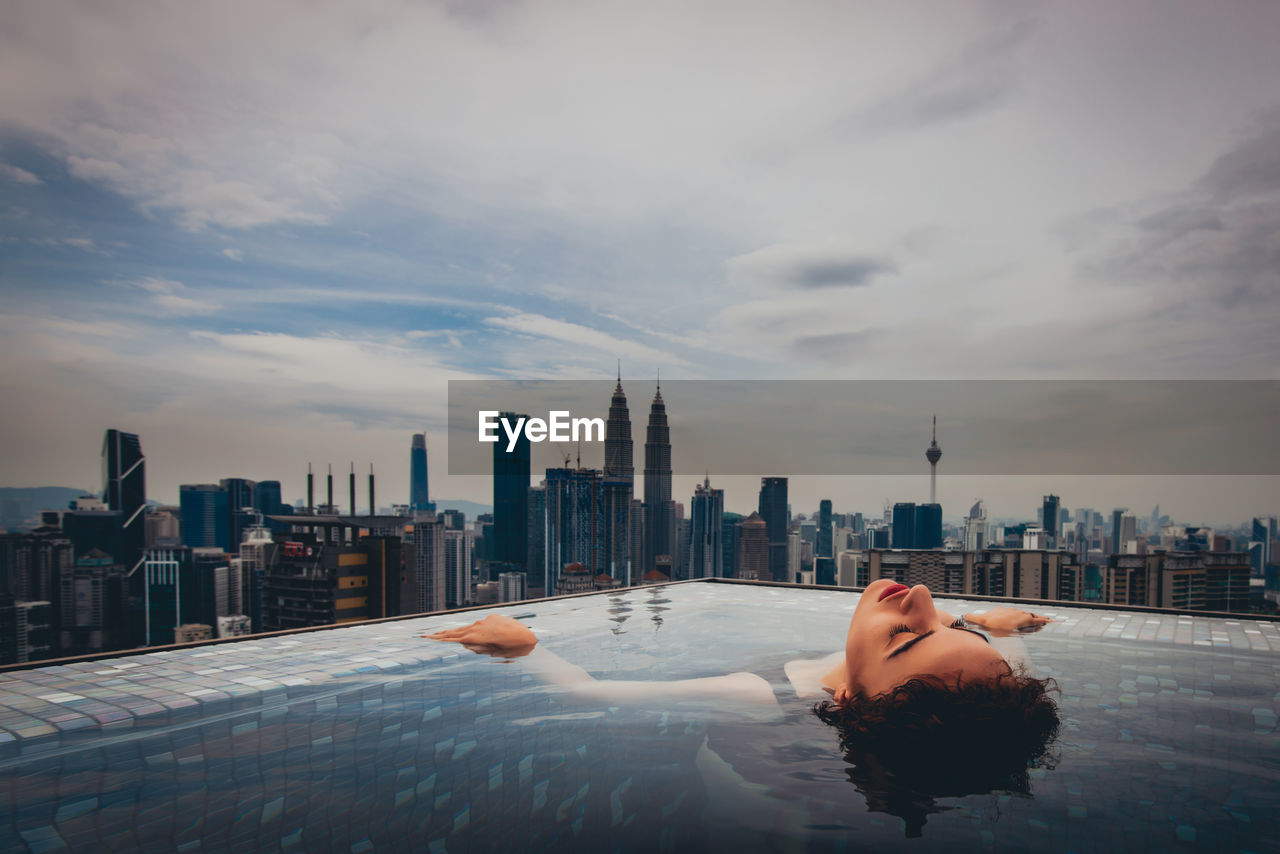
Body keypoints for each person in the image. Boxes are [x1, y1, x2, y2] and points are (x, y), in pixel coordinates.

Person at [425, 579, 1061, 837]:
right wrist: (984, 622)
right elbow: (948, 623)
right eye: (946, 625)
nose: (921, 596)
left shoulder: (757, 696)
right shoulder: (920, 676)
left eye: (905, 633)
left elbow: (595, 697)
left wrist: (525, 646)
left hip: (748, 794)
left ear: (846, 698)